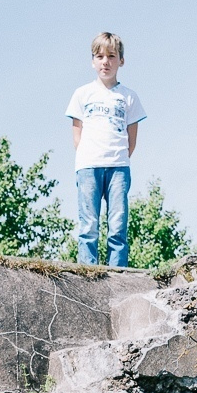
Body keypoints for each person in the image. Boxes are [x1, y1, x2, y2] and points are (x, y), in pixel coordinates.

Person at [65, 31, 148, 267]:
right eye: (100, 56)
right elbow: (77, 133)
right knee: (89, 224)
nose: (106, 62)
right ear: (93, 61)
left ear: (121, 60)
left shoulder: (129, 97)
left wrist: (118, 156)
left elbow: (132, 139)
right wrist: (88, 156)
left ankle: (117, 272)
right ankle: (88, 270)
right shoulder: (82, 94)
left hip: (118, 167)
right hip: (88, 166)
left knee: (118, 224)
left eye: (112, 56)